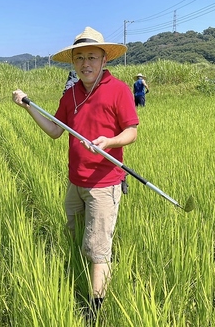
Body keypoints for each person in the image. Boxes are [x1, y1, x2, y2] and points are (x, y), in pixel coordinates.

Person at [12, 26, 139, 323]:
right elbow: (56, 131)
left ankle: (95, 311)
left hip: (103, 184)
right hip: (76, 182)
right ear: (73, 62)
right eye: (79, 57)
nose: (86, 63)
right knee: (77, 238)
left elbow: (131, 132)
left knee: (97, 248)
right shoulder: (71, 95)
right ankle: (80, 282)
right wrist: (28, 107)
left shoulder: (118, 90)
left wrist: (109, 141)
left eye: (92, 56)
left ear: (104, 59)